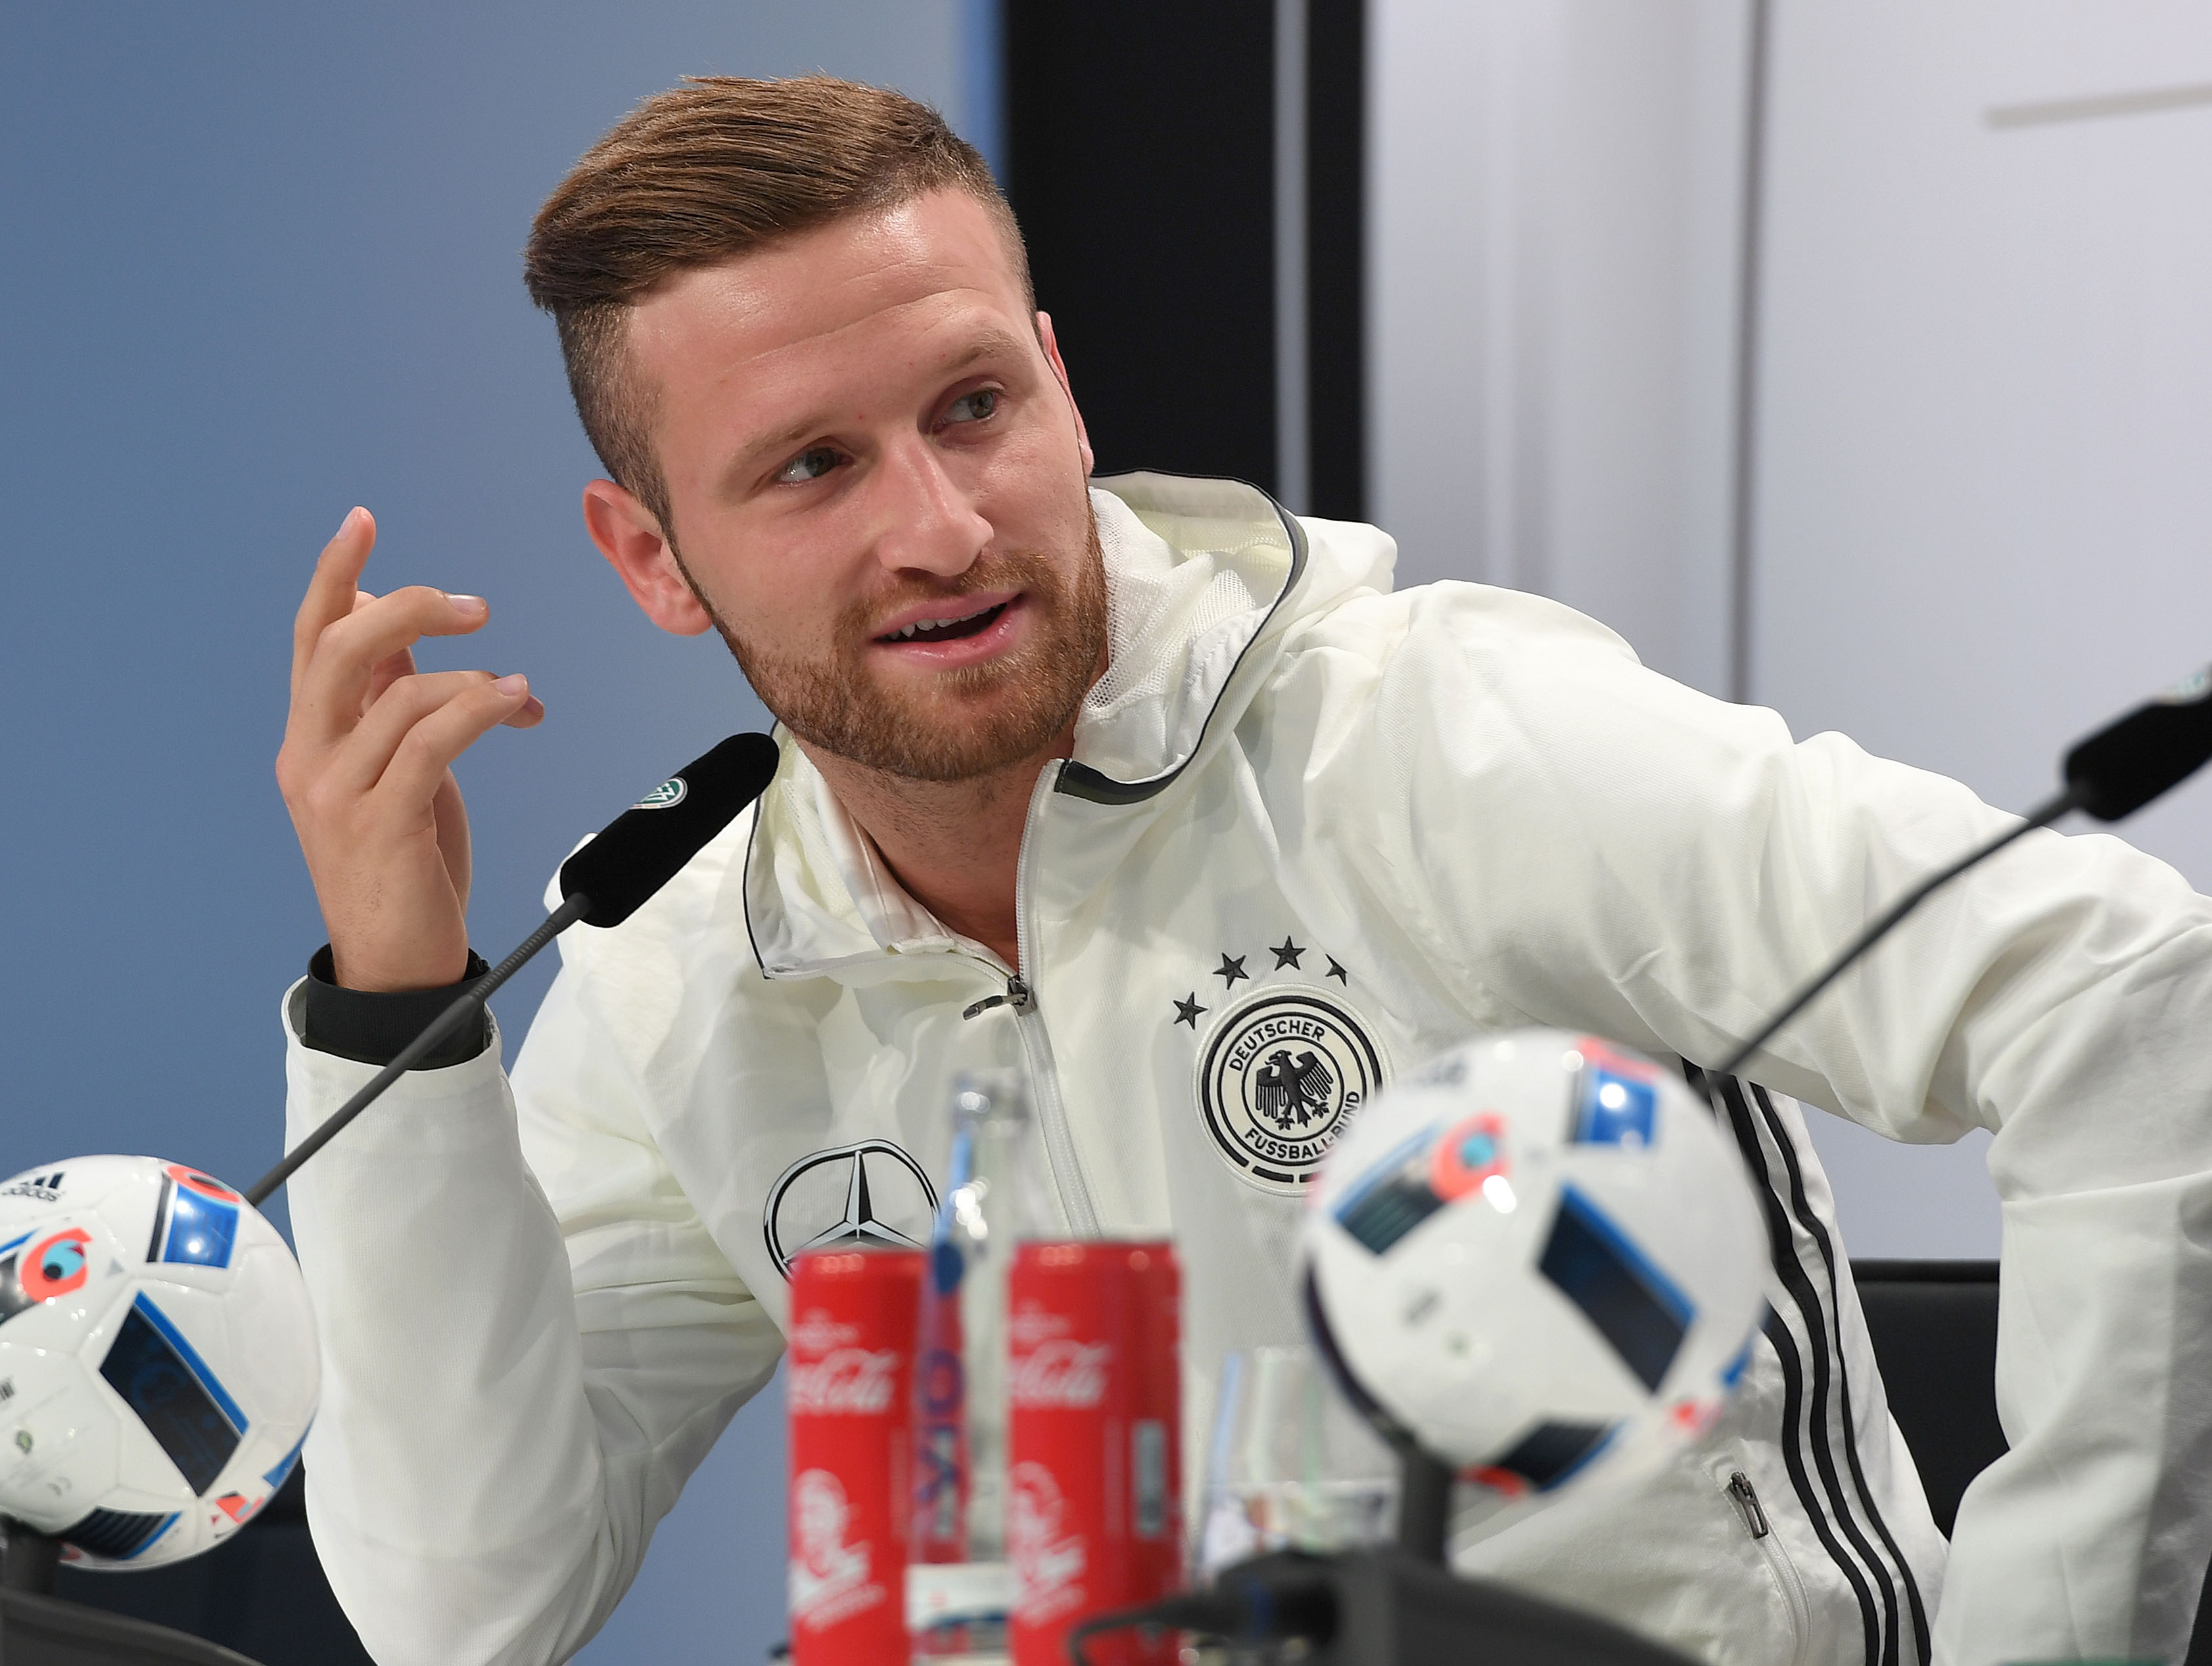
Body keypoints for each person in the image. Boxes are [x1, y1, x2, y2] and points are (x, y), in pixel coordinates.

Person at [273, 76, 2212, 1666]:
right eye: (812, 469)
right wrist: (393, 1007)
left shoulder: (1434, 735)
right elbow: (469, 1605)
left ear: (1058, 378)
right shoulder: (677, 969)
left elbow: (2127, 990)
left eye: (973, 408)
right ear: (650, 556)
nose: (943, 528)